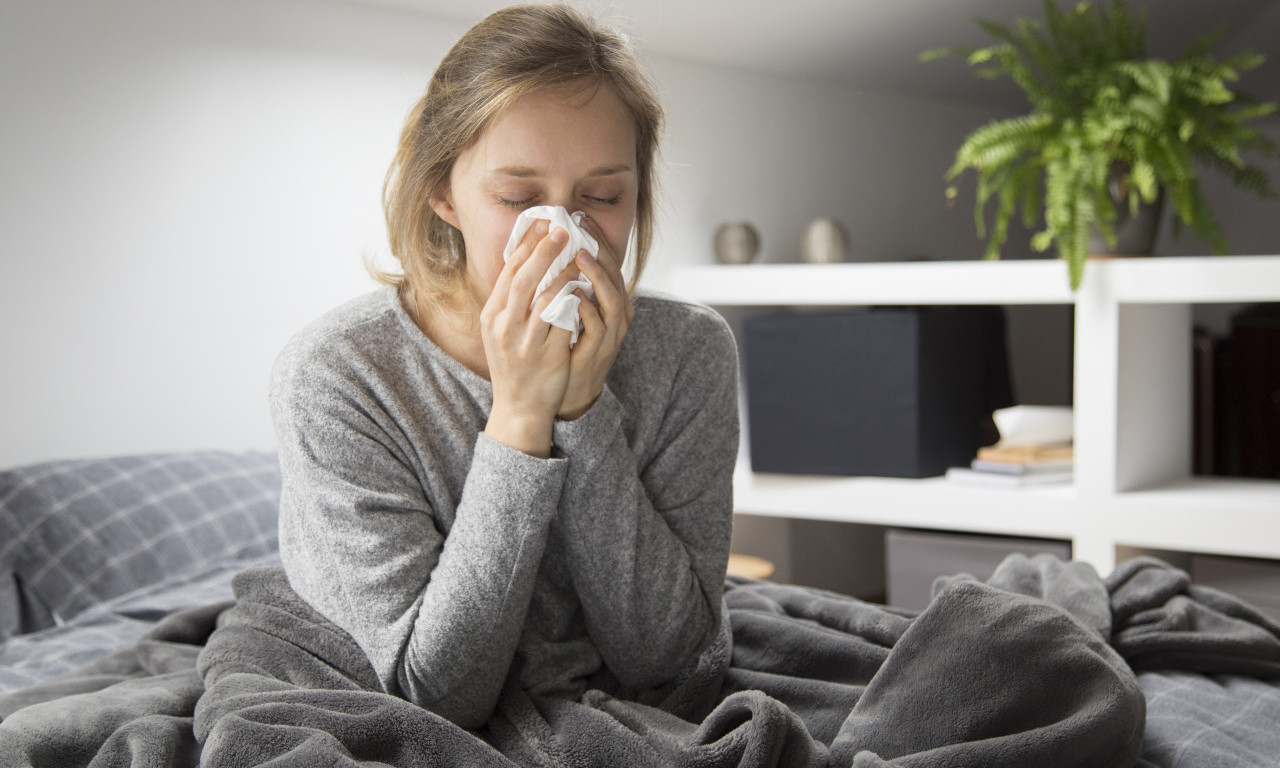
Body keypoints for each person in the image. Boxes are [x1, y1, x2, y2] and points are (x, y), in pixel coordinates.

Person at [268, 3, 739, 731]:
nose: (565, 232)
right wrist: (521, 417)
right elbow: (437, 695)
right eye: (518, 197)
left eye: (604, 196)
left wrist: (583, 415)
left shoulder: (689, 350)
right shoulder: (339, 376)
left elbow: (672, 663)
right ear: (440, 190)